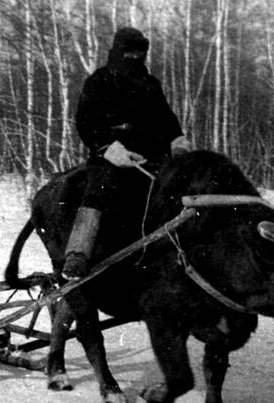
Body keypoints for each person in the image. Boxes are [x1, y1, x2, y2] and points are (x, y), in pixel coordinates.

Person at [62, 27, 191, 280]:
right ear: (117, 52)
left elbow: (166, 119)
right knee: (100, 187)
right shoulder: (99, 81)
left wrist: (178, 141)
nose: (134, 57)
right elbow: (86, 123)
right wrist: (111, 149)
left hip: (152, 159)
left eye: (139, 53)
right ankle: (78, 253)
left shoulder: (150, 84)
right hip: (112, 158)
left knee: (182, 190)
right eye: (129, 52)